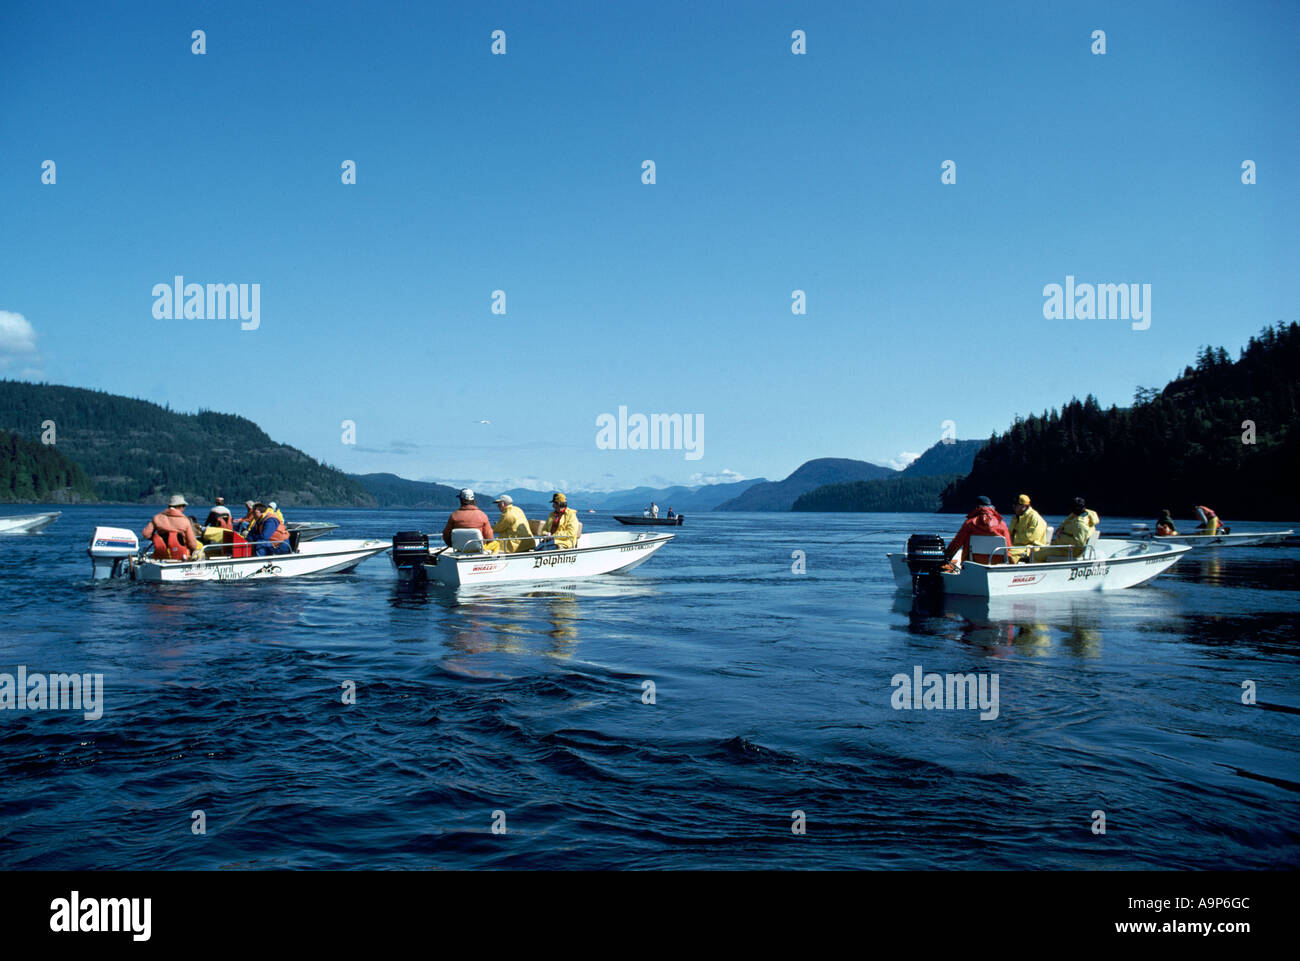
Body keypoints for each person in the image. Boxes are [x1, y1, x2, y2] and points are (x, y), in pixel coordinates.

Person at [945, 496, 1010, 563]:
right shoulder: (1002, 524)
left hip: (973, 563)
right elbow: (1008, 546)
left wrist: (946, 556)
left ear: (976, 507)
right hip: (997, 563)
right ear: (991, 507)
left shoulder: (969, 523)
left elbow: (956, 543)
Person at [142, 494, 203, 561]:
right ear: (180, 506)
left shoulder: (157, 518)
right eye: (184, 506)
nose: (184, 509)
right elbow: (192, 544)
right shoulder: (185, 521)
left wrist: (157, 539)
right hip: (181, 556)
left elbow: (146, 534)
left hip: (161, 555)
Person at [1008, 493, 1048, 563]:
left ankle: (1007, 570)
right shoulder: (1016, 517)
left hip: (1032, 548)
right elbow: (1009, 533)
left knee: (1008, 554)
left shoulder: (1035, 517)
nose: (1013, 506)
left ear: (1024, 506)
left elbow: (1031, 538)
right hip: (1017, 546)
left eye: (1016, 504)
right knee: (999, 552)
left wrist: (1013, 539)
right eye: (1014, 504)